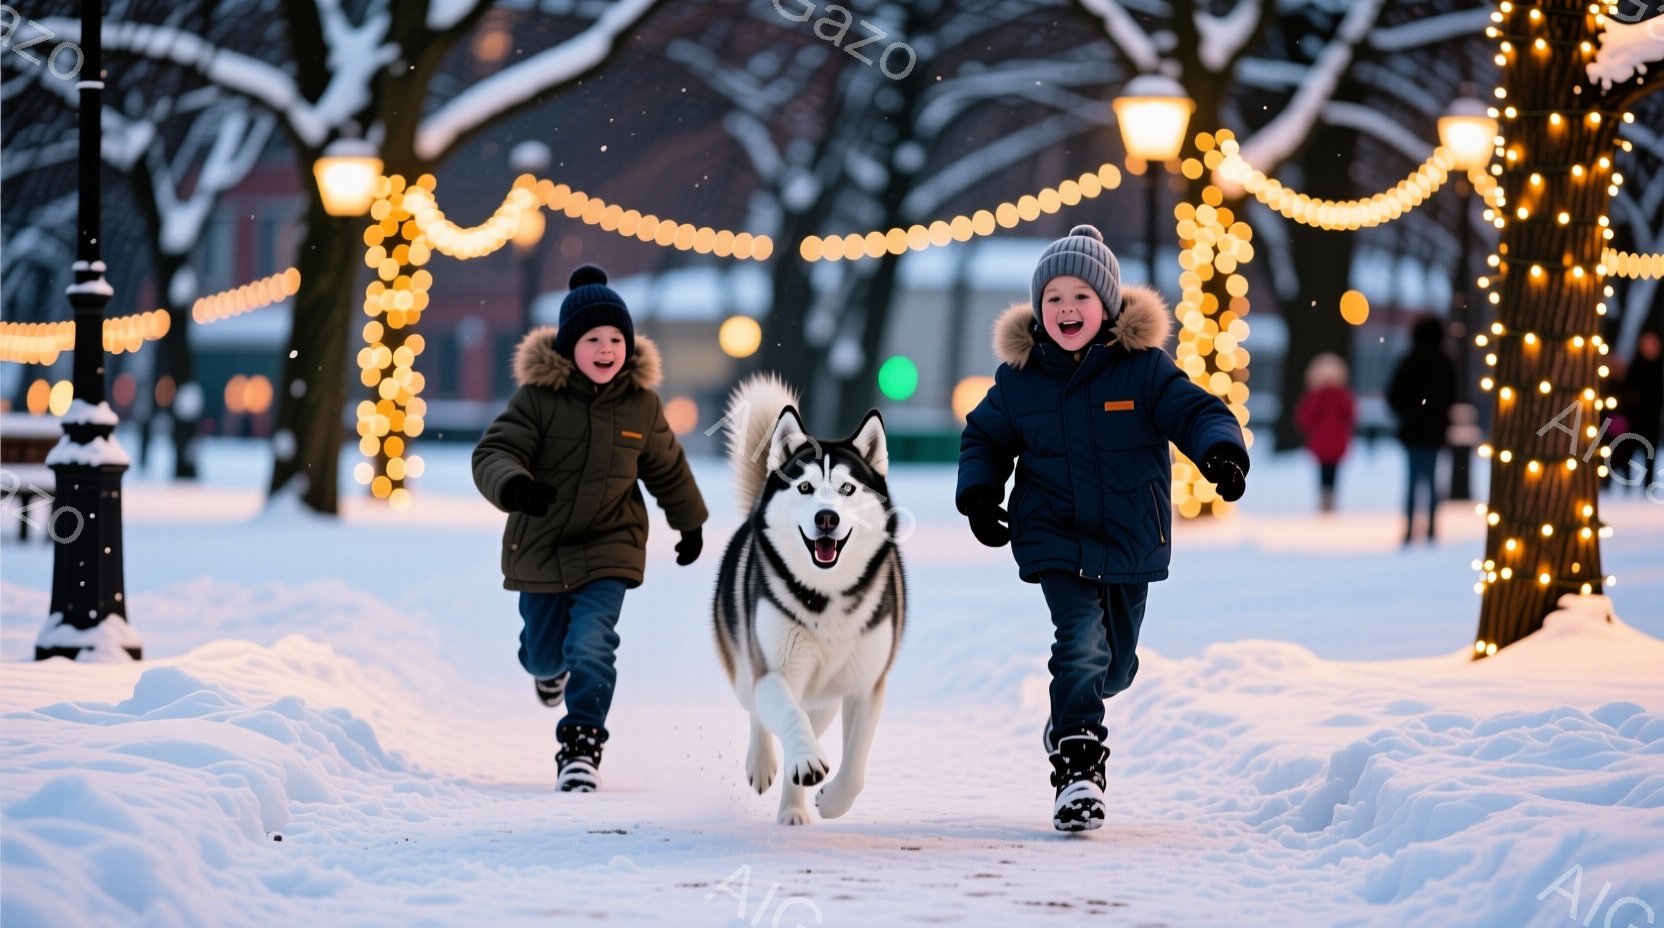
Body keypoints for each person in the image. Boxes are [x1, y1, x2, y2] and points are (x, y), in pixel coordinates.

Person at [955, 225, 1248, 832]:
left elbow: (1194, 410)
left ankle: (1070, 713)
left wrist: (1219, 451)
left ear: (1109, 304)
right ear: (1039, 308)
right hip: (1054, 535)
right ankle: (1079, 769)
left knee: (1115, 667)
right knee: (1080, 643)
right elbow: (984, 437)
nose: (1067, 308)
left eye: (1082, 296)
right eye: (1055, 297)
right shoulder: (1020, 377)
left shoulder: (1143, 370)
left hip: (1127, 536)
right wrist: (981, 495)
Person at [472, 264, 708, 792]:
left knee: (593, 644)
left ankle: (581, 747)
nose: (606, 349)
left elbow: (667, 466)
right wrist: (515, 487)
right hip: (541, 542)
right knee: (544, 651)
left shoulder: (641, 406)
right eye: (593, 339)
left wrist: (688, 522)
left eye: (615, 339)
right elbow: (496, 451)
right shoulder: (538, 400)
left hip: (609, 545)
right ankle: (545, 671)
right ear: (568, 347)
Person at [1386, 316, 1456, 544]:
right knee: (1432, 480)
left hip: (1412, 432)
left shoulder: (1409, 362)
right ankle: (1432, 528)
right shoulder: (1444, 363)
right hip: (1435, 432)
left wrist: (1408, 413)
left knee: (1412, 481)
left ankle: (1409, 528)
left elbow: (1393, 395)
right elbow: (1451, 396)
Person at [1295, 353, 1357, 513]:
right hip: (1332, 441)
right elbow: (1351, 415)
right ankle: (1328, 498)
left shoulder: (1319, 396)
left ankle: (1326, 498)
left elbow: (1305, 418)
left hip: (1324, 441)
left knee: (1325, 470)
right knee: (1331, 470)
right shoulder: (1339, 395)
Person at [1612, 331, 1662, 491]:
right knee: (1628, 451)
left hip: (1652, 420)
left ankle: (1648, 486)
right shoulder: (1633, 366)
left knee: (1650, 455)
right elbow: (1624, 391)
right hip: (1633, 419)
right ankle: (1626, 485)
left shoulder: (1660, 368)